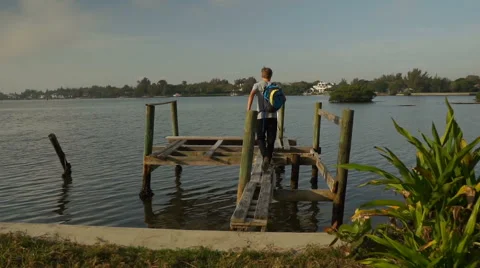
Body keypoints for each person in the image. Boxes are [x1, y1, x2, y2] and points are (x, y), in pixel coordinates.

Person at [246, 67, 284, 171]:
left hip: (261, 117)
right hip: (273, 117)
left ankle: (265, 157)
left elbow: (251, 95)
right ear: (271, 75)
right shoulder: (275, 86)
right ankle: (268, 157)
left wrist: (248, 109)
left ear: (262, 75)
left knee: (261, 138)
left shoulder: (257, 85)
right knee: (271, 140)